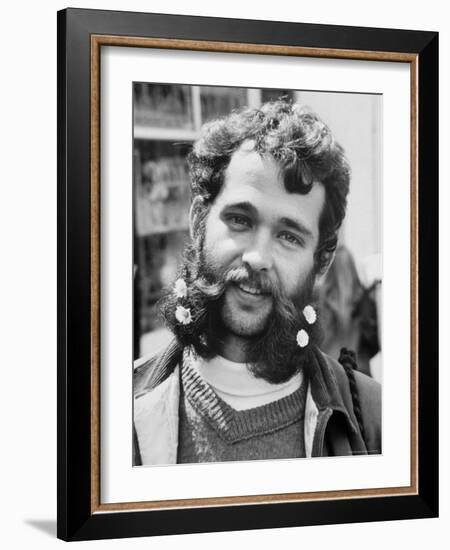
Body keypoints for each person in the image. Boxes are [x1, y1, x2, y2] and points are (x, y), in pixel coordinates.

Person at [133, 99, 381, 465]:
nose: (258, 257)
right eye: (240, 220)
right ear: (199, 220)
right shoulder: (108, 410)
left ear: (322, 261)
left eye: (289, 236)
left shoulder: (377, 423)